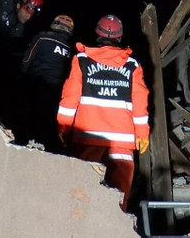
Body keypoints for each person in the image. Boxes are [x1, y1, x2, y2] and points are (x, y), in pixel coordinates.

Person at [56, 14, 150, 211]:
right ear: (120, 37)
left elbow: (70, 98)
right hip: (122, 140)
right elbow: (139, 103)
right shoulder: (133, 66)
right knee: (119, 195)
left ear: (97, 34)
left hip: (88, 136)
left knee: (81, 188)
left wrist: (64, 128)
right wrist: (142, 134)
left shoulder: (82, 60)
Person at [15, 15, 75, 151]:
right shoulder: (71, 49)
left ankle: (20, 143)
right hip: (55, 92)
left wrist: (21, 77)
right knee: (45, 124)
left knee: (26, 119)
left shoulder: (42, 37)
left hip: (35, 85)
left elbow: (26, 60)